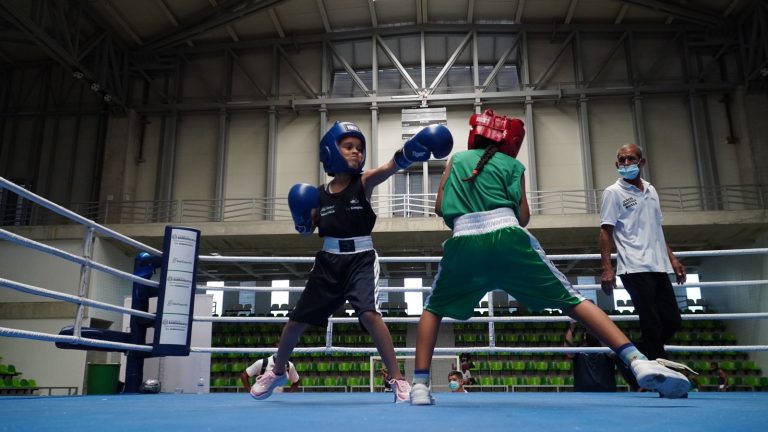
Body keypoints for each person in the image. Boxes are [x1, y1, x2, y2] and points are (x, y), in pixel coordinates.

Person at [409, 109, 691, 405]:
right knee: (574, 302)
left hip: (464, 240)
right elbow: (524, 217)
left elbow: (440, 206)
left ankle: (419, 386)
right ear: (511, 142)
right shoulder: (512, 165)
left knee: (433, 308)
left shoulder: (456, 160)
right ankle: (637, 360)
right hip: (508, 235)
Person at [249, 121, 453, 403]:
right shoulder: (317, 196)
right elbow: (309, 230)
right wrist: (304, 224)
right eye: (348, 147)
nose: (356, 152)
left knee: (369, 314)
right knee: (296, 321)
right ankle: (278, 370)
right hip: (328, 262)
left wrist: (409, 152)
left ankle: (397, 379)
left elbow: (390, 167)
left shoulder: (364, 182)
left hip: (361, 259)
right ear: (331, 151)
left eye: (359, 147)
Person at [599, 143, 687, 361]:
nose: (626, 163)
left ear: (642, 162)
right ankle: (659, 376)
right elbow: (605, 230)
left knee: (672, 320)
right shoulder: (613, 193)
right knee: (651, 322)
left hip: (658, 265)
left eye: (630, 158)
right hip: (634, 266)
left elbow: (657, 228)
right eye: (621, 160)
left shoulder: (651, 189)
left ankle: (628, 359)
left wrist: (673, 259)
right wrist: (607, 268)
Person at [564, 322, 617, 392]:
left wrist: (599, 332)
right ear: (585, 335)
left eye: (594, 331)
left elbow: (611, 353)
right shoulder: (579, 349)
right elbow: (568, 350)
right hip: (582, 392)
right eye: (589, 330)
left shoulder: (606, 349)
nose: (592, 333)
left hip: (606, 391)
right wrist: (571, 327)